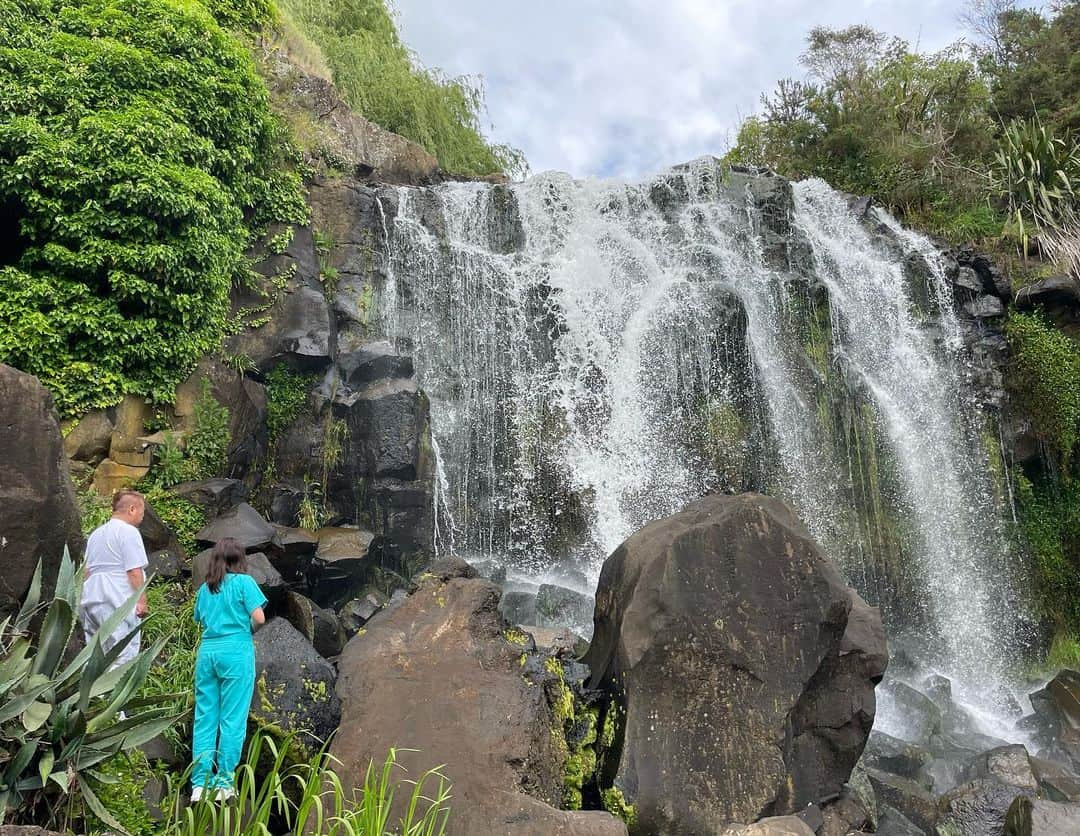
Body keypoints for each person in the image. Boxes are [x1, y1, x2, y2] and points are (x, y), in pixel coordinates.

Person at [191, 537, 266, 802]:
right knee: (232, 719)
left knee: (205, 718)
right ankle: (224, 783)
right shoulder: (244, 582)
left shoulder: (205, 589)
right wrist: (247, 628)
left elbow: (199, 619)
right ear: (239, 559)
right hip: (236, 652)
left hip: (208, 653)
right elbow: (259, 618)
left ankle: (199, 785)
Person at [80, 489, 149, 669]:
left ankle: (92, 694)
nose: (142, 518)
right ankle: (111, 696)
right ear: (132, 509)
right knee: (121, 653)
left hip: (91, 600)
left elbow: (86, 572)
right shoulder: (128, 532)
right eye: (142, 512)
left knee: (94, 653)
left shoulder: (96, 534)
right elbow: (134, 570)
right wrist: (141, 601)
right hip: (117, 599)